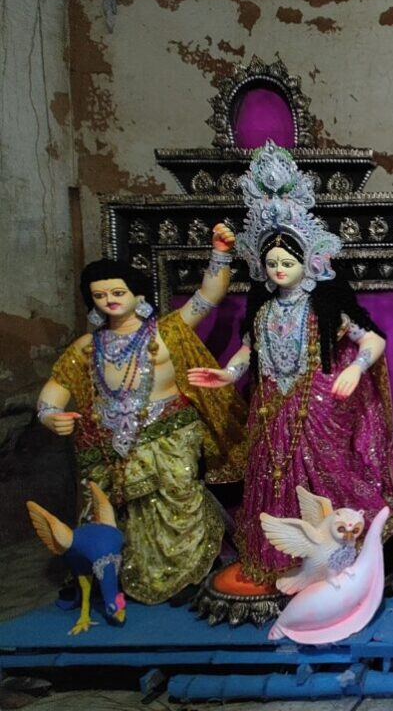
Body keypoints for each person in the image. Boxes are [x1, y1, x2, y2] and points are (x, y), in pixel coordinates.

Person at [188, 141, 393, 587]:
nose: (279, 270)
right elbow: (250, 351)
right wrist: (227, 373)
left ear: (309, 261)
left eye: (288, 262)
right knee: (272, 476)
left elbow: (373, 339)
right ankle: (283, 561)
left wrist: (355, 368)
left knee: (331, 476)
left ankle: (340, 560)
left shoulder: (324, 306)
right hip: (271, 406)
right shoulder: (264, 308)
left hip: (320, 405)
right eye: (271, 263)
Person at [37, 229, 246, 605]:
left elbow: (209, 295)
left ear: (137, 295)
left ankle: (184, 572)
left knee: (177, 497)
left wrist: (220, 252)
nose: (110, 300)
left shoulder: (166, 332)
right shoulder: (87, 347)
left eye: (118, 292)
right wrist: (50, 415)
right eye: (100, 295)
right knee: (114, 507)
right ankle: (115, 572)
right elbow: (55, 388)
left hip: (170, 434)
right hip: (110, 441)